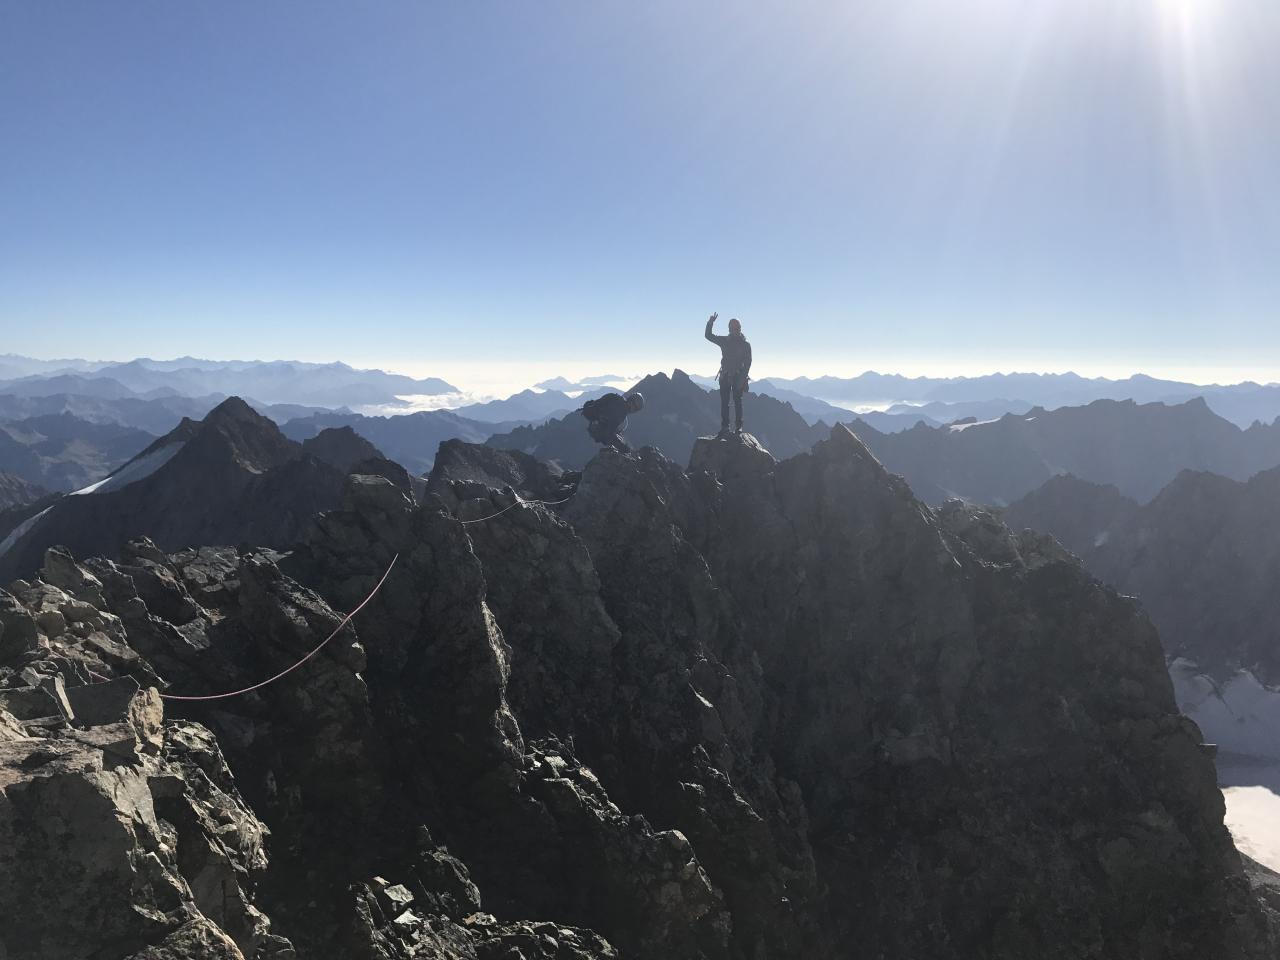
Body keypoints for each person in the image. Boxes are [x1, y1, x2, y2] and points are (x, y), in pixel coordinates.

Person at [704, 312, 752, 438]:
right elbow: (708, 336)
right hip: (727, 376)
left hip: (736, 376)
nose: (736, 330)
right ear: (730, 329)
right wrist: (710, 322)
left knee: (735, 402)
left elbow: (748, 363)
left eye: (738, 328)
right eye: (734, 328)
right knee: (727, 402)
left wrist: (742, 378)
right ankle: (727, 427)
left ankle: (737, 427)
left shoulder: (742, 344)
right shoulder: (729, 341)